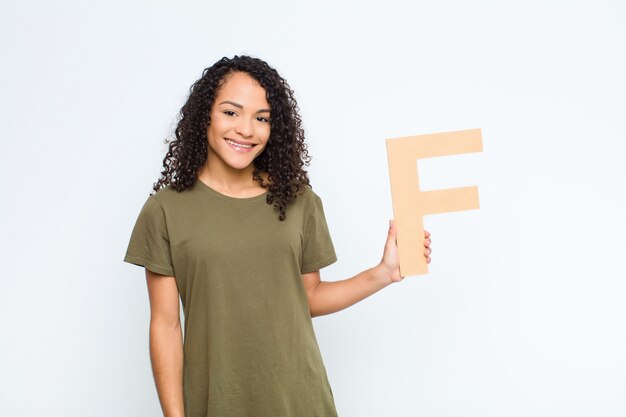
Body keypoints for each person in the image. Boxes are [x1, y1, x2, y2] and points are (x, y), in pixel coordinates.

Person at [123, 55, 432, 417]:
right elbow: (165, 325)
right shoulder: (165, 211)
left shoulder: (299, 200)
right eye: (231, 112)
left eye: (262, 118)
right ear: (204, 115)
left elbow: (310, 297)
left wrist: (384, 273)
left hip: (300, 400)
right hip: (219, 404)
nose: (246, 129)